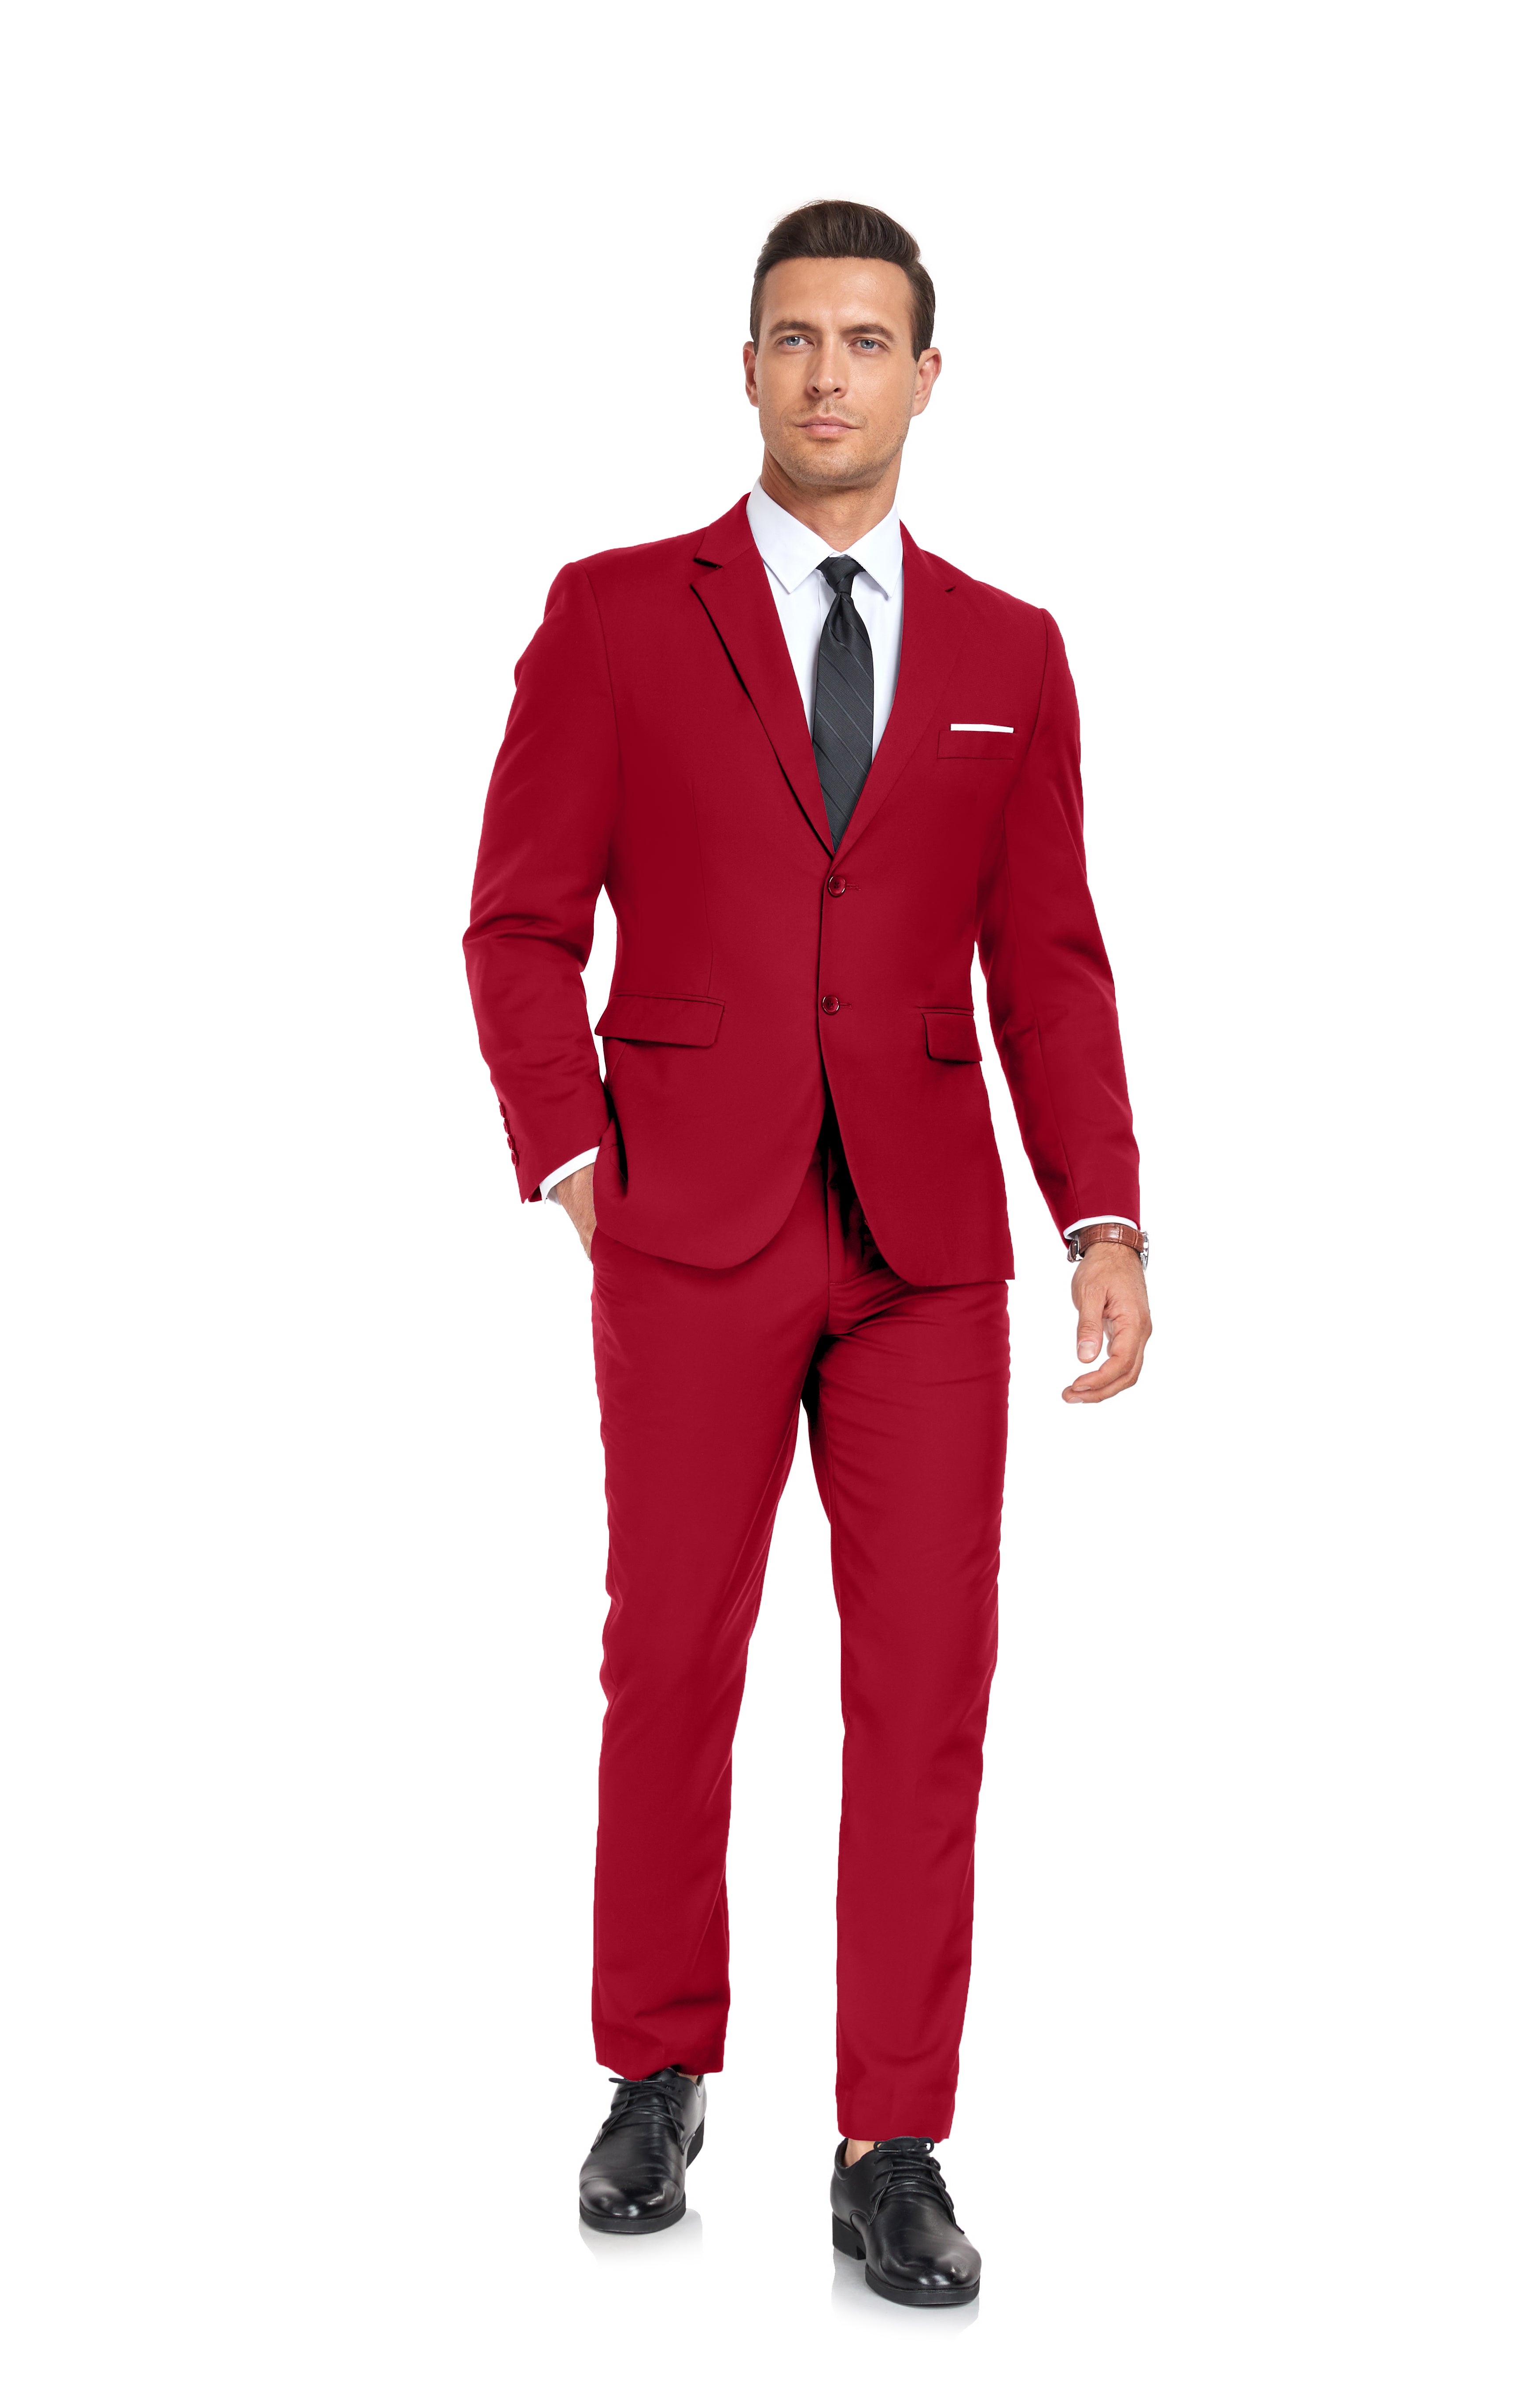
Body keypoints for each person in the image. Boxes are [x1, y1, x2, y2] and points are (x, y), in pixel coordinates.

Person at [463, 199, 1149, 2309]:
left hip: (927, 1246)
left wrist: (1101, 1214)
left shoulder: (1012, 654)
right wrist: (574, 1156)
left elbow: (1050, 958)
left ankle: (891, 2141)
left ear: (929, 377)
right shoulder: (613, 615)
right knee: (672, 1662)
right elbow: (516, 923)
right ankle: (655, 2070)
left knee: (926, 1692)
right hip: (688, 1225)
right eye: (794, 337)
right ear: (747, 367)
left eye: (866, 340)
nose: (829, 372)